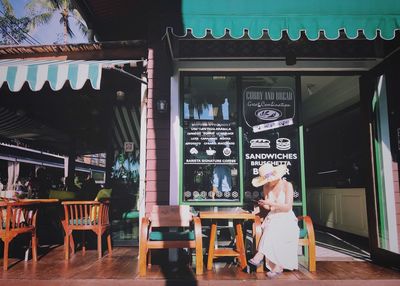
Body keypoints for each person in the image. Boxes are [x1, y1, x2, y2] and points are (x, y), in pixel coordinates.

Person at [248, 163, 299, 278]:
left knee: (273, 227)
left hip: (286, 217)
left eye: (270, 178)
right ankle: (278, 266)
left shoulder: (287, 185)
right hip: (273, 216)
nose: (269, 181)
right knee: (272, 226)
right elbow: (270, 208)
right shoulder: (266, 186)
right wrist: (263, 205)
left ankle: (260, 255)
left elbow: (287, 207)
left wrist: (269, 203)